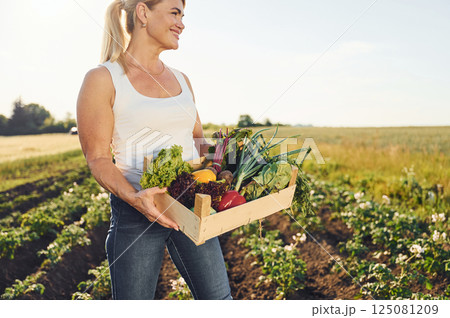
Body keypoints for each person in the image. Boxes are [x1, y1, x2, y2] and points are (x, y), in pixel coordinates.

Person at [76, 0, 232, 300]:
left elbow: (197, 140)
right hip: (137, 214)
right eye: (175, 12)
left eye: (183, 15)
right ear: (143, 13)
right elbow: (97, 158)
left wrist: (228, 165)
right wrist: (135, 199)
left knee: (220, 301)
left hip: (190, 205)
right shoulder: (103, 79)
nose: (182, 23)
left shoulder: (182, 80)